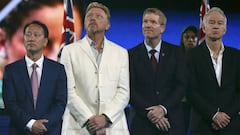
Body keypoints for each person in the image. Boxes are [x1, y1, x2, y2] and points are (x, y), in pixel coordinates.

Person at [60, 2, 130, 135]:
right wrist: (90, 120)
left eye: (98, 16)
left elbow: (123, 92)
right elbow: (68, 91)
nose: (93, 18)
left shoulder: (120, 53)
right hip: (78, 127)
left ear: (107, 25)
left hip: (112, 126)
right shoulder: (69, 51)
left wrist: (105, 118)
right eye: (89, 16)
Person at [2, 21, 67, 135]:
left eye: (36, 35)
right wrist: (31, 124)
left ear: (45, 41)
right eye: (28, 34)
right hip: (20, 130)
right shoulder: (11, 70)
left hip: (49, 131)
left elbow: (60, 102)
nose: (31, 38)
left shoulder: (58, 69)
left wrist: (43, 125)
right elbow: (10, 102)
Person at [128, 8, 186, 135]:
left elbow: (181, 86)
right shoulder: (130, 55)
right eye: (145, 21)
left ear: (162, 27)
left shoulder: (176, 53)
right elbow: (129, 89)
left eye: (153, 22)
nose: (148, 25)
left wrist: (163, 109)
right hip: (141, 123)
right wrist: (150, 113)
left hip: (171, 123)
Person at [186, 7, 240, 135]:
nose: (216, 26)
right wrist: (213, 115)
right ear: (204, 28)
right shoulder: (191, 56)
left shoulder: (236, 56)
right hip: (202, 125)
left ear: (225, 29)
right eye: (211, 22)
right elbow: (190, 90)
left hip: (231, 125)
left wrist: (226, 116)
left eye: (220, 23)